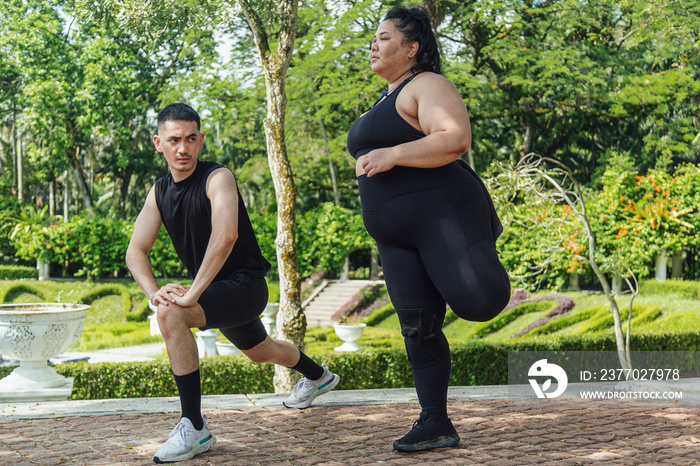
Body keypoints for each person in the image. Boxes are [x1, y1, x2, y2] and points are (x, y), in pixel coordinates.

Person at [126, 103, 339, 464]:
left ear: (201, 140)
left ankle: (194, 427)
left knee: (172, 315)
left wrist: (189, 295)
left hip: (245, 285)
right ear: (158, 143)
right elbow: (136, 250)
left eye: (191, 139)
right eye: (174, 139)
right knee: (261, 352)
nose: (183, 148)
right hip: (215, 291)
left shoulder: (217, 177)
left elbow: (226, 235)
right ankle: (318, 377)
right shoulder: (159, 191)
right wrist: (153, 292)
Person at [347, 6, 511, 453]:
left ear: (412, 47)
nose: (373, 46)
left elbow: (455, 137)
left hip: (443, 216)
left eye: (383, 38)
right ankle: (435, 422)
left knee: (482, 301)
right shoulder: (384, 98)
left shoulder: (428, 84)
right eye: (373, 39)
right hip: (397, 238)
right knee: (417, 328)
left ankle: (483, 252)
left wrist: (393, 154)